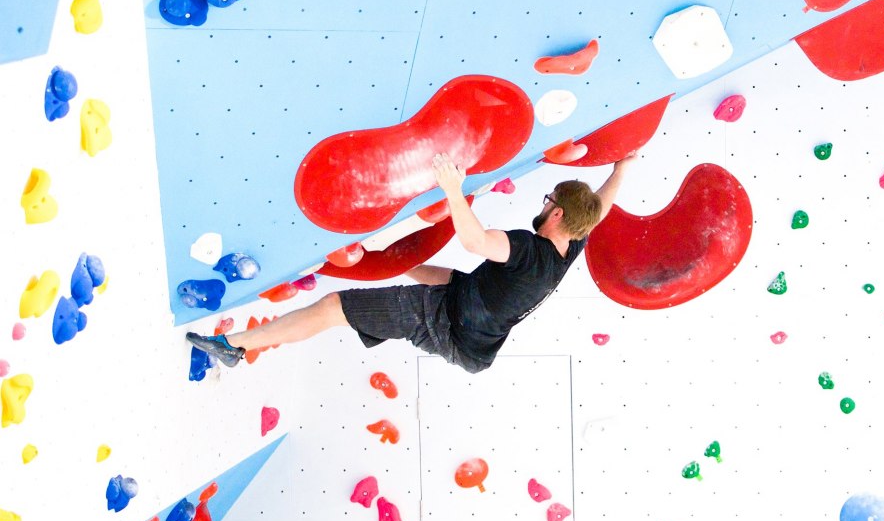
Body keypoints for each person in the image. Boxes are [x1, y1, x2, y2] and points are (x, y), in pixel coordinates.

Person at [186, 151, 636, 373]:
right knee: (409, 264)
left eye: (548, 200)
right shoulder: (570, 244)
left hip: (447, 324)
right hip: (474, 314)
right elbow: (601, 206)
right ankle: (372, 260)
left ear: (556, 215)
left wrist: (452, 188)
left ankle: (236, 347)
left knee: (333, 308)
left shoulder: (530, 249)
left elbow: (476, 241)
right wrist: (621, 168)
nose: (544, 204)